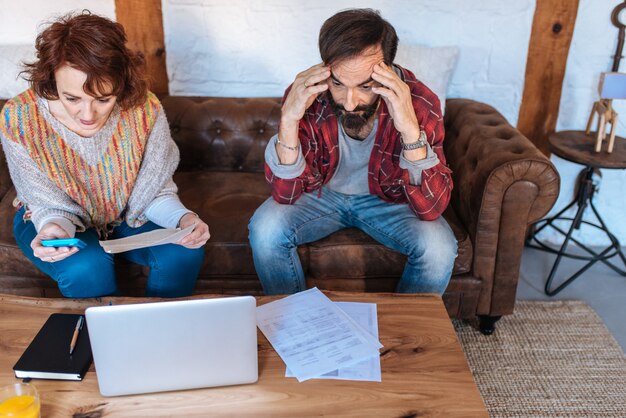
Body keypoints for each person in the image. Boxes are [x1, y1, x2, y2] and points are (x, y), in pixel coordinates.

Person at [0, 12, 210, 298]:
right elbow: (46, 203)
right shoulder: (19, 118)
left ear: (121, 85)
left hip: (127, 215)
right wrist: (52, 229)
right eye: (72, 98)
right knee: (84, 266)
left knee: (184, 252)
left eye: (103, 99)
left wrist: (184, 218)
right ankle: (99, 341)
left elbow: (154, 192)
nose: (88, 114)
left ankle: (163, 334)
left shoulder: (144, 109)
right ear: (50, 79)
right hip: (48, 217)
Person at [249, 9, 457, 295]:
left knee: (439, 248)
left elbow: (432, 208)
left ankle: (406, 333)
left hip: (388, 203)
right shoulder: (307, 94)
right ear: (327, 68)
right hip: (322, 197)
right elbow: (286, 194)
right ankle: (295, 325)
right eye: (338, 83)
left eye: (365, 86)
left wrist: (409, 129)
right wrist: (288, 120)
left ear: (387, 72)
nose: (349, 103)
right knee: (265, 229)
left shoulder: (420, 101)